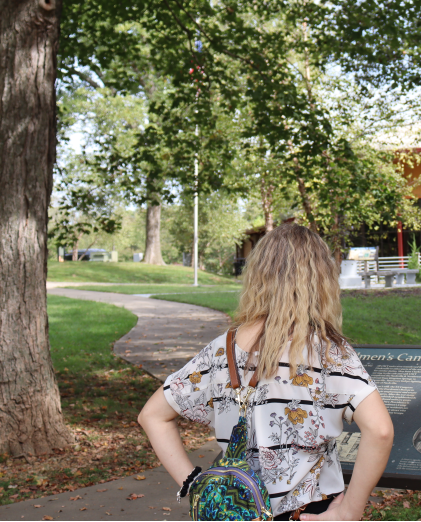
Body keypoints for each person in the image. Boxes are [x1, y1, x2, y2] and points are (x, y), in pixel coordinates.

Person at [138, 223, 394, 521]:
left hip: (234, 510)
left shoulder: (222, 349)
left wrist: (194, 486)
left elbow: (152, 415)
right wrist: (349, 511)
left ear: (259, 275)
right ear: (321, 279)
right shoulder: (326, 351)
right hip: (306, 511)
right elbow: (381, 430)